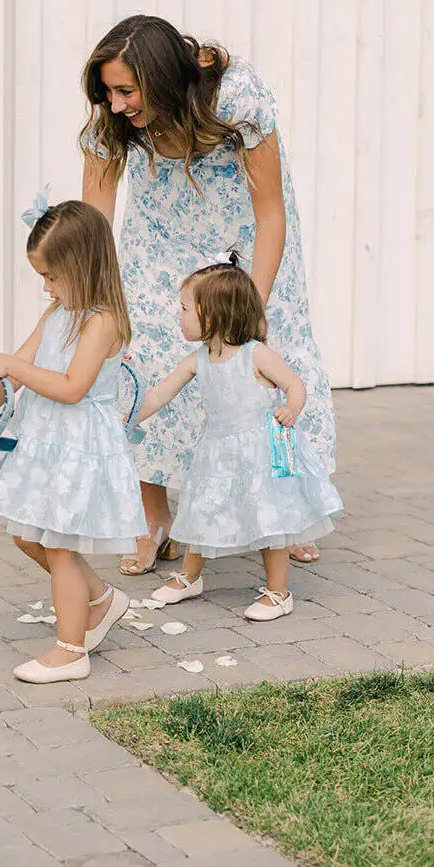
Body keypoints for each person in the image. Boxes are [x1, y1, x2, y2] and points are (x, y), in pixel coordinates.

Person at [80, 15, 335, 577]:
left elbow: (271, 214)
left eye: (127, 90)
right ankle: (155, 519)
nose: (116, 104)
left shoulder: (236, 96)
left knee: (264, 367)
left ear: (165, 78)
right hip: (159, 239)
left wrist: (251, 308)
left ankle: (286, 511)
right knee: (144, 357)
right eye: (108, 92)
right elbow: (94, 224)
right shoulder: (110, 120)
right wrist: (92, 301)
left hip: (244, 239)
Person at [0, 200, 145, 684]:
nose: (46, 287)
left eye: (52, 276)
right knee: (27, 532)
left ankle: (71, 650)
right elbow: (18, 365)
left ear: (83, 269)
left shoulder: (101, 321)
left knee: (59, 545)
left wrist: (15, 366)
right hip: (44, 441)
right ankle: (102, 600)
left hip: (79, 447)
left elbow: (71, 387)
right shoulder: (57, 312)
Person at [137, 258, 342, 619]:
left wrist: (292, 409)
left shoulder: (255, 354)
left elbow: (294, 383)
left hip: (259, 452)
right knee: (200, 509)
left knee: (269, 519)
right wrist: (130, 415)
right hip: (216, 451)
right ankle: (190, 576)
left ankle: (279, 592)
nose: (178, 317)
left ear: (213, 316)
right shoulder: (199, 358)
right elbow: (161, 393)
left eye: (185, 309)